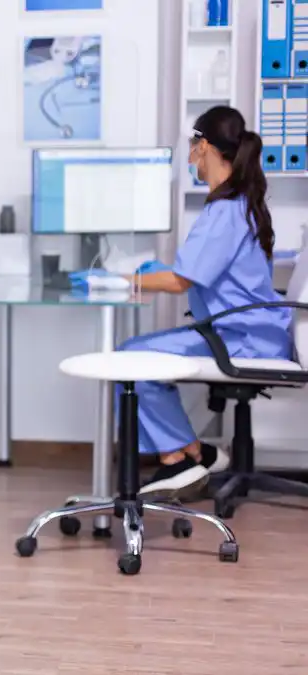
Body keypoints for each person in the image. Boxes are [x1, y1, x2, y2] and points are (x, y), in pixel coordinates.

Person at [121, 105, 291, 498]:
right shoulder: (237, 203)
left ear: (205, 147)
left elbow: (182, 280)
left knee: (131, 359)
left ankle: (177, 459)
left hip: (241, 338)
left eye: (192, 147)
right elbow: (198, 271)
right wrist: (152, 274)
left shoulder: (226, 211)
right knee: (133, 352)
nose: (189, 158)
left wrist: (124, 280)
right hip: (249, 331)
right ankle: (195, 452)